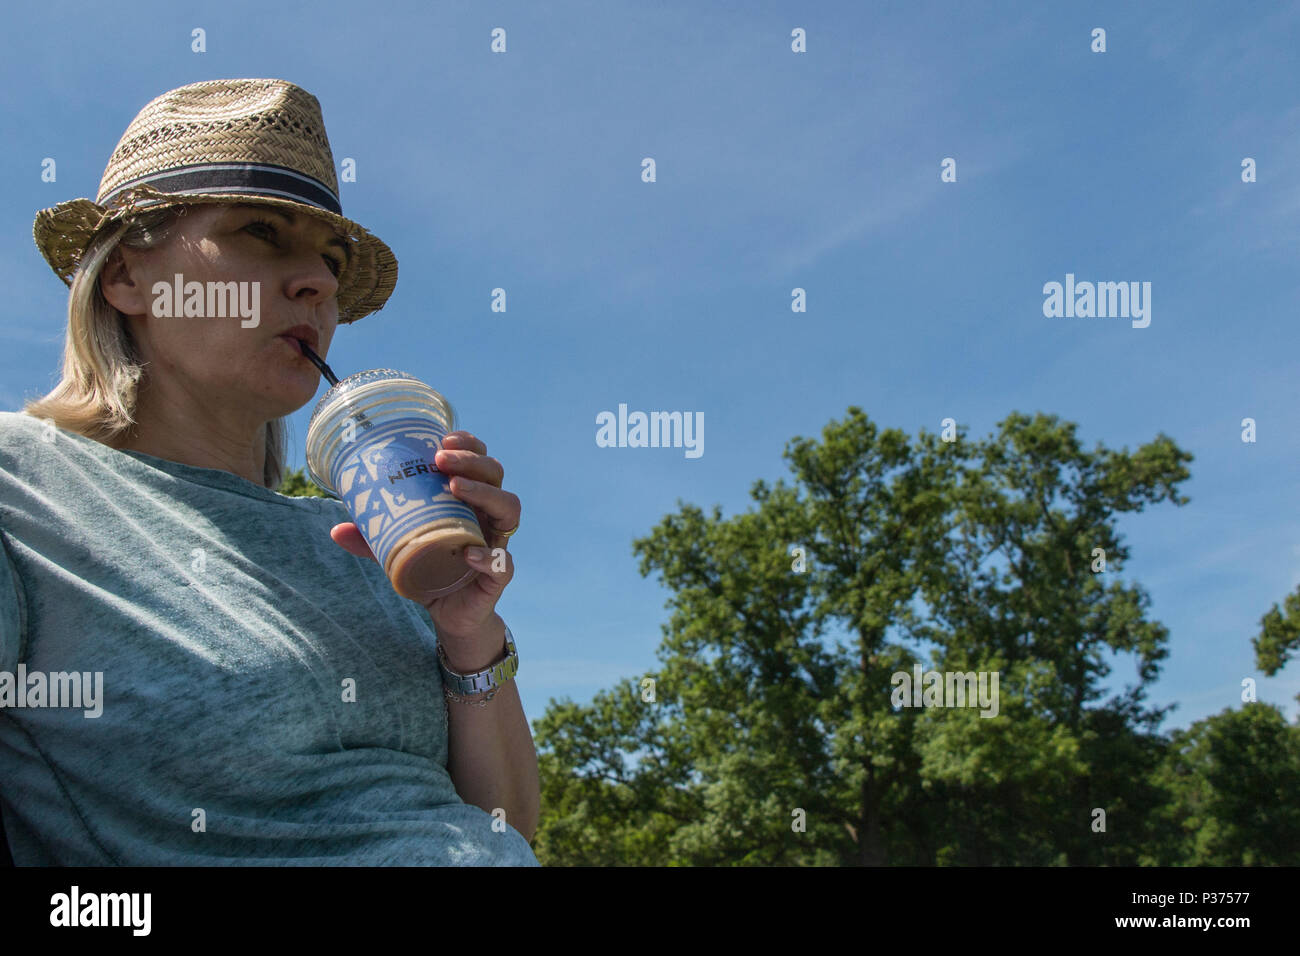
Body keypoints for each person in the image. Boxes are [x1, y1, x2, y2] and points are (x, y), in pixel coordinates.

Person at [0, 78, 540, 865]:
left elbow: (506, 828)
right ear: (124, 278)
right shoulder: (23, 486)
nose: (318, 283)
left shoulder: (362, 540)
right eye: (260, 231)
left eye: (328, 258)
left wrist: (468, 632)